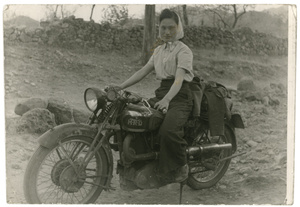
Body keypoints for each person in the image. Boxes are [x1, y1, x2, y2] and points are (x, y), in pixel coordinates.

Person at [113, 9, 194, 183]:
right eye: (163, 28)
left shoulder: (184, 51)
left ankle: (180, 168)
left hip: (180, 97)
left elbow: (179, 80)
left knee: (168, 131)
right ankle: (142, 166)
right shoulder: (158, 50)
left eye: (171, 28)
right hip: (162, 93)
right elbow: (143, 71)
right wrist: (120, 86)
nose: (167, 32)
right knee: (140, 120)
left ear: (178, 27)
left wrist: (167, 100)